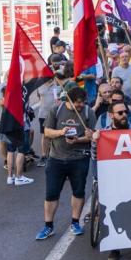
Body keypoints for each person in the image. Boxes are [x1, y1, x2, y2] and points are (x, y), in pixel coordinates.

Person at [37, 87, 96, 241]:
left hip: (79, 159)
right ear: (68, 100)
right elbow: (47, 132)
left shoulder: (89, 112)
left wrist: (80, 139)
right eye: (77, 103)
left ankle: (75, 223)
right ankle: (48, 226)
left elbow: (94, 136)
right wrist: (61, 132)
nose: (81, 105)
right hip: (56, 158)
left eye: (82, 102)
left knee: (78, 192)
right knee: (51, 194)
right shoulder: (56, 110)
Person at [91, 101, 131, 260]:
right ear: (111, 115)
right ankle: (114, 248)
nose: (124, 116)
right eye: (120, 113)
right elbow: (95, 157)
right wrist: (95, 141)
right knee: (112, 213)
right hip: (112, 180)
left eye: (125, 113)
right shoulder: (103, 134)